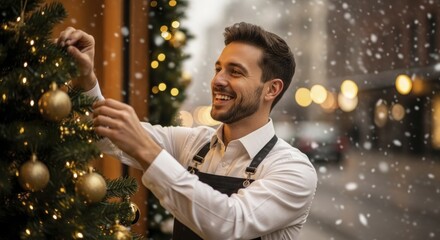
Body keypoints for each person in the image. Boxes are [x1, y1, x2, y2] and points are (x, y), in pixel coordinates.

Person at [57, 22, 317, 240]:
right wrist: (85, 77)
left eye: (235, 72)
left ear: (271, 89)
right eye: (218, 69)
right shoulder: (192, 143)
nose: (218, 80)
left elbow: (229, 223)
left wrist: (147, 150)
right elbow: (104, 135)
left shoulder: (292, 169)